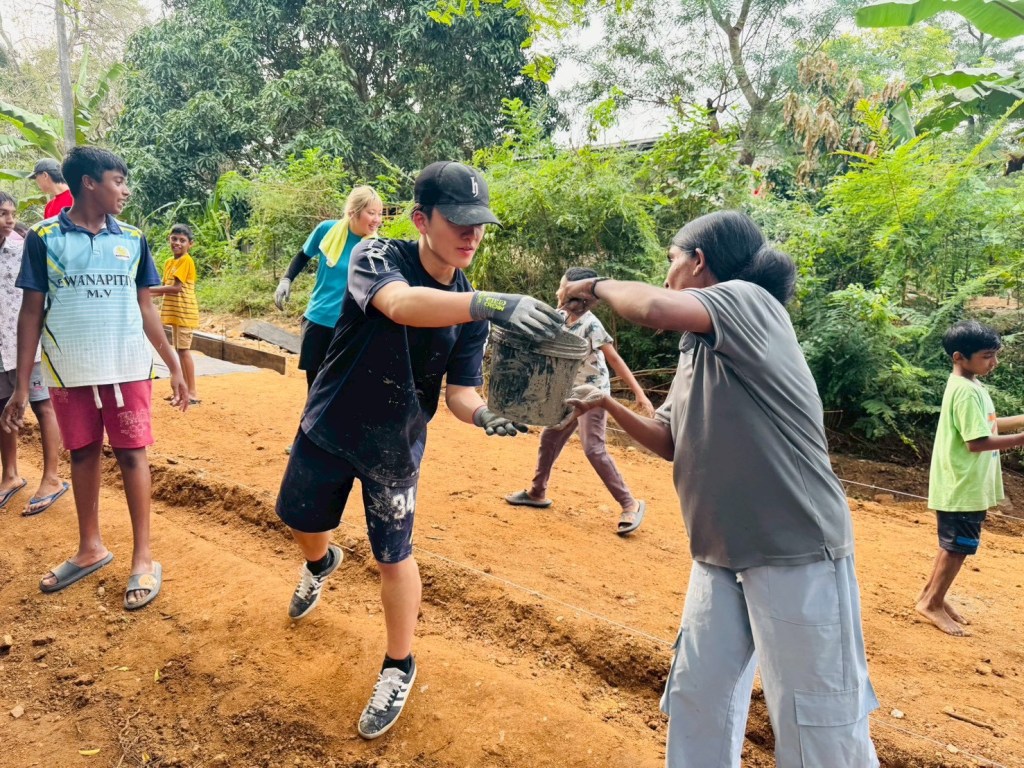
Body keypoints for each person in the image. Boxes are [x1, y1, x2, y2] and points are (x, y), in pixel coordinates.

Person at [561, 210, 879, 767]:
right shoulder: (696, 348)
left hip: (793, 549)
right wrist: (606, 403)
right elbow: (668, 439)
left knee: (817, 722)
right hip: (719, 550)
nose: (666, 275)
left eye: (671, 260)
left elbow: (653, 308)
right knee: (698, 697)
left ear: (698, 261)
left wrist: (594, 285)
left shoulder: (751, 302)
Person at [275, 161, 561, 740]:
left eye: (479, 224)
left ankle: (398, 664)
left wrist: (483, 414)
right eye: (458, 221)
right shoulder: (378, 256)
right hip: (330, 424)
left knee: (394, 555)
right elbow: (402, 305)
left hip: (396, 443)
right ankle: (320, 563)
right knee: (300, 520)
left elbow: (458, 392)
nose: (471, 234)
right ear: (421, 221)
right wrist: (487, 302)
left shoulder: (470, 310)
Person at [0, 147, 189, 611]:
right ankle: (90, 547)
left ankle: (142, 557)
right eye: (117, 181)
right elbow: (31, 312)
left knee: (132, 455)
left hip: (127, 368)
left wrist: (173, 364)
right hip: (70, 372)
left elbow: (146, 306)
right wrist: (22, 385)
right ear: (88, 182)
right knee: (82, 453)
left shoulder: (133, 238)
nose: (125, 191)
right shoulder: (45, 237)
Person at [505, 266, 653, 535]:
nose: (558, 290)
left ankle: (629, 503)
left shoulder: (591, 324)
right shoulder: (559, 318)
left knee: (593, 448)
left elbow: (614, 359)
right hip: (568, 391)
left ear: (578, 293)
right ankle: (537, 492)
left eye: (562, 286)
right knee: (550, 437)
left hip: (593, 394)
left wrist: (639, 393)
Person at [918, 319, 1024, 636]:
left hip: (962, 483)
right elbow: (976, 442)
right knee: (958, 546)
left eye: (995, 355)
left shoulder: (970, 385)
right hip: (962, 485)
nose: (994, 362)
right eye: (987, 356)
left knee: (952, 545)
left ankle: (932, 596)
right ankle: (932, 603)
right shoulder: (965, 391)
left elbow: (988, 424)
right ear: (959, 357)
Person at [274, 186, 384, 390]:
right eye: (371, 213)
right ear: (353, 212)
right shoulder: (327, 230)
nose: (377, 219)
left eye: (380, 213)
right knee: (315, 387)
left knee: (344, 388)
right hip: (319, 319)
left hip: (351, 326)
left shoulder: (376, 247)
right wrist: (286, 279)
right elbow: (303, 255)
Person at [0, 191, 68, 516]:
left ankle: (52, 477)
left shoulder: (22, 250)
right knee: (3, 407)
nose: (10, 219)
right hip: (1, 347)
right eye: (3, 213)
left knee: (43, 406)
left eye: (11, 213)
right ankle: (11, 475)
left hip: (28, 346)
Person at [151, 224, 200, 404]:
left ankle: (192, 392)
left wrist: (147, 291)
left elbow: (176, 288)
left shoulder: (186, 260)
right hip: (175, 314)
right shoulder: (169, 262)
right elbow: (165, 288)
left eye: (182, 240)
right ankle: (184, 391)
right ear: (169, 239)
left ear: (190, 244)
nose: (177, 243)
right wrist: (145, 294)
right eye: (174, 239)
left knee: (184, 351)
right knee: (179, 351)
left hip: (185, 312)